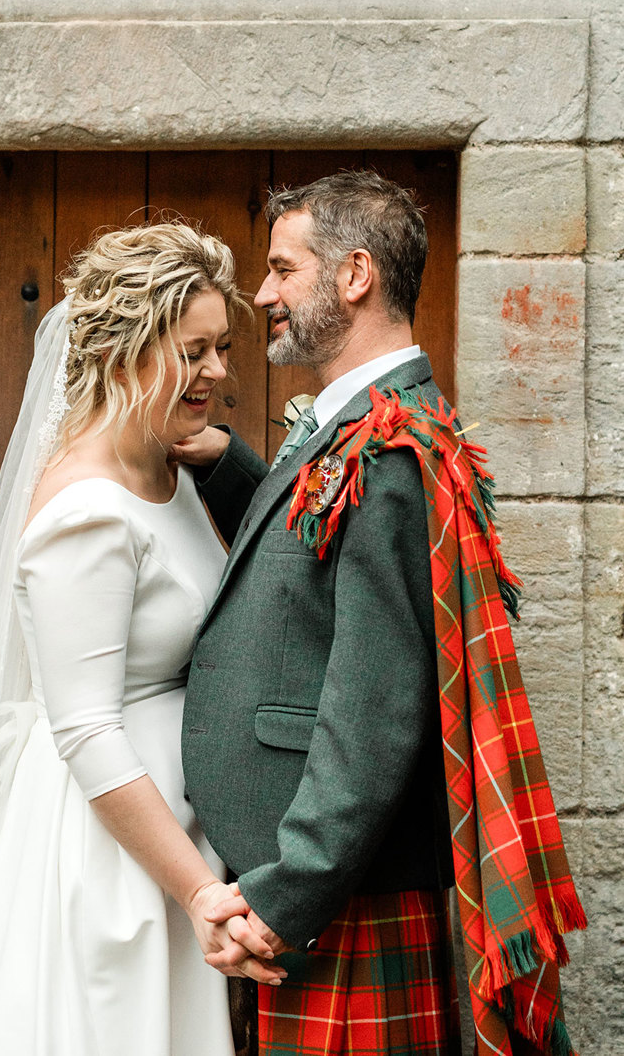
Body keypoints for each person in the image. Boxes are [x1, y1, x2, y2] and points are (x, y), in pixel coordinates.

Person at [179, 171, 585, 1056]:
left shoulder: (392, 448)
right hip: (322, 891)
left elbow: (373, 713)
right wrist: (225, 464)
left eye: (283, 268)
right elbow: (321, 553)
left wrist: (287, 899)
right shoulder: (366, 424)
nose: (263, 293)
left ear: (354, 274)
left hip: (331, 897)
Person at [0, 221, 279, 1056]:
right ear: (128, 350)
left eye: (221, 347)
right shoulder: (87, 515)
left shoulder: (167, 468)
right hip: (113, 856)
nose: (218, 372)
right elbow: (87, 730)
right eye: (194, 350)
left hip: (171, 838)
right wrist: (200, 892)